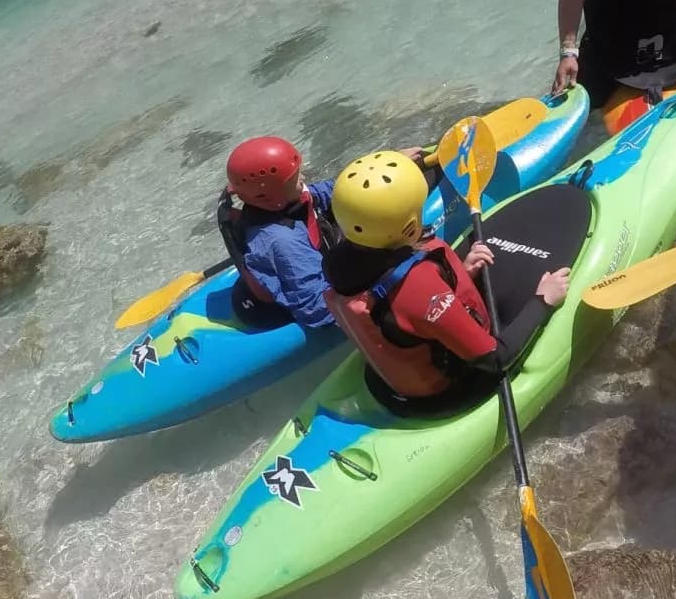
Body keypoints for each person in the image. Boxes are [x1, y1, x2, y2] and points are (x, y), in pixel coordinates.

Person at [321, 149, 572, 404]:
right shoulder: (416, 286)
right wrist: (543, 300)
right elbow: (496, 358)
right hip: (451, 385)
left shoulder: (344, 264)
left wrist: (460, 274)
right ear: (407, 223)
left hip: (395, 377)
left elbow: (400, 314)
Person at [214, 137, 341, 328]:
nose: (303, 179)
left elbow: (329, 191)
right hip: (287, 307)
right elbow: (316, 310)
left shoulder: (281, 202)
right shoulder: (283, 241)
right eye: (295, 179)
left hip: (295, 268)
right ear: (269, 196)